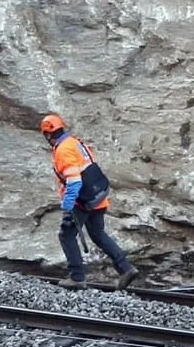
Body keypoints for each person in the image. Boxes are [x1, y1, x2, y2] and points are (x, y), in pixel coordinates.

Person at [40, 113, 140, 291]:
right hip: (98, 195)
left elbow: (74, 180)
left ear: (48, 134)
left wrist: (68, 204)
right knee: (97, 233)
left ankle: (77, 277)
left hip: (81, 200)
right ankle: (126, 268)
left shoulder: (63, 150)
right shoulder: (75, 142)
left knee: (67, 235)